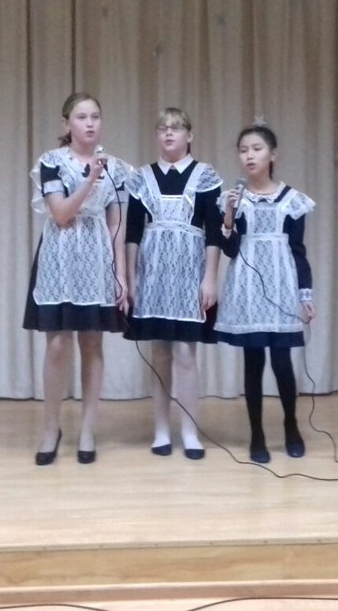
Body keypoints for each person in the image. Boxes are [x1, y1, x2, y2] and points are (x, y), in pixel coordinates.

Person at [23, 92, 131, 466]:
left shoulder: (115, 168)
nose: (89, 123)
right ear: (66, 124)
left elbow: (116, 224)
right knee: (57, 345)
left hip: (96, 257)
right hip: (59, 256)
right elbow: (60, 214)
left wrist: (121, 275)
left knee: (92, 343)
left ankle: (87, 429)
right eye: (82, 116)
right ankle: (51, 428)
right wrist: (90, 180)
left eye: (95, 116)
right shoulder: (51, 162)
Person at [124, 108, 224, 460]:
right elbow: (132, 233)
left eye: (176, 128)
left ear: (189, 136)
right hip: (153, 276)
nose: (169, 133)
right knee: (159, 353)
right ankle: (161, 430)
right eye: (163, 128)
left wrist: (210, 278)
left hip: (189, 275)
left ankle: (190, 431)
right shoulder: (142, 178)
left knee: (185, 354)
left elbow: (214, 233)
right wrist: (131, 278)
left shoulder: (205, 176)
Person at [216, 123, 315, 464]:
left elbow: (299, 252)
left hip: (282, 286)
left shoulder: (292, 201)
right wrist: (229, 215)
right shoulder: (233, 198)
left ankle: (291, 425)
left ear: (272, 155)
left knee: (282, 361)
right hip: (247, 288)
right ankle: (256, 433)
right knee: (253, 360)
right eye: (243, 150)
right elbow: (230, 250)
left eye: (256, 149)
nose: (249, 155)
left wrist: (305, 295)